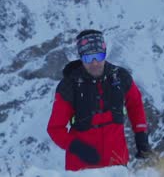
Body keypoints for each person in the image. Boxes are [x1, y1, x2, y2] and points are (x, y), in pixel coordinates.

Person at [47, 29, 152, 171]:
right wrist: (77, 148)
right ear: (81, 57)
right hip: (81, 169)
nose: (95, 62)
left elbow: (135, 105)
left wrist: (141, 136)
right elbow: (55, 129)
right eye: (88, 58)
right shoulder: (69, 85)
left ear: (105, 53)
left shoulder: (120, 77)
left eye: (99, 55)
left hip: (117, 165)